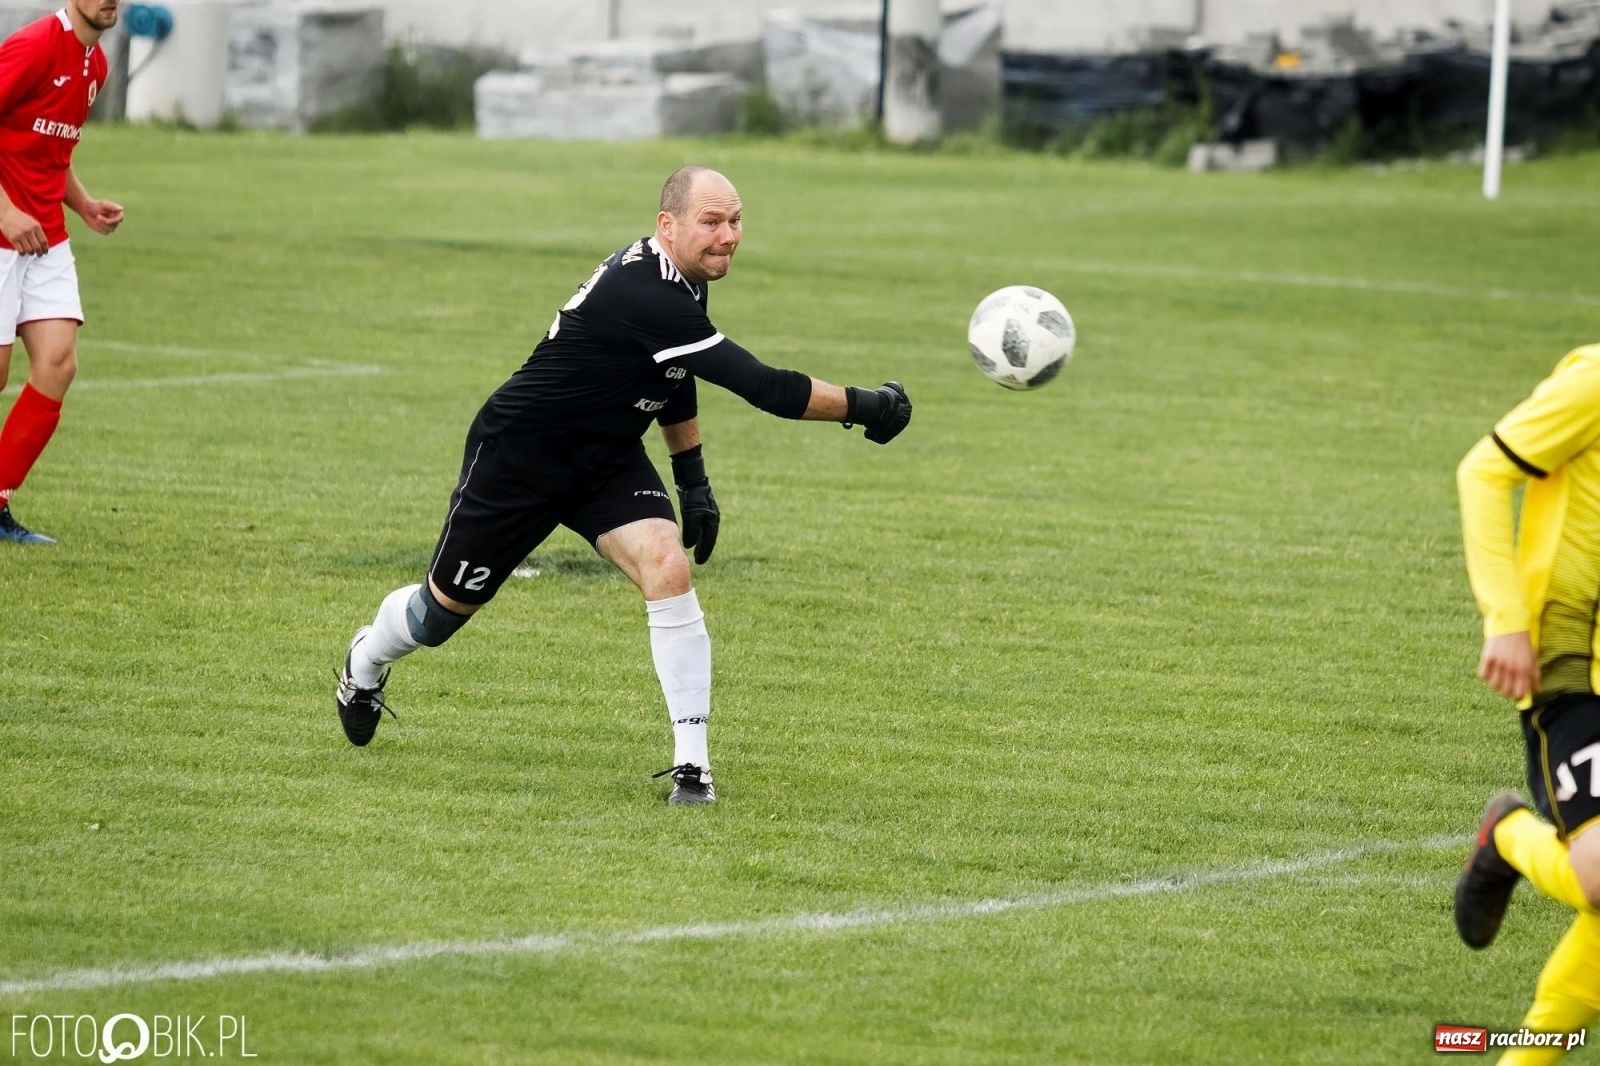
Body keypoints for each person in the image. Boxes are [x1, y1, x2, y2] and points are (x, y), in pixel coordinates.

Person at [334, 165, 912, 804]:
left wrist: (692, 481)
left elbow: (674, 372)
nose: (728, 236)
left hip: (605, 459)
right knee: (436, 617)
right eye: (711, 222)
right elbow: (766, 389)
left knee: (668, 567)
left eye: (736, 220)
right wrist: (869, 405)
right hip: (518, 460)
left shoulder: (683, 279)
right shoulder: (646, 291)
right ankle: (366, 659)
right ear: (667, 224)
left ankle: (693, 770)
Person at [1454, 341, 1600, 1064]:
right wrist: (1504, 618)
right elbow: (1483, 471)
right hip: (1574, 667)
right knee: (1599, 874)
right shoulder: (1596, 383)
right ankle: (1508, 832)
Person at [0, 0, 124, 545]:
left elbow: (52, 150)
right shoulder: (31, 46)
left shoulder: (95, 65)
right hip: (2, 231)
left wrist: (85, 204)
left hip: (46, 235)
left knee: (57, 364)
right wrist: (4, 210)